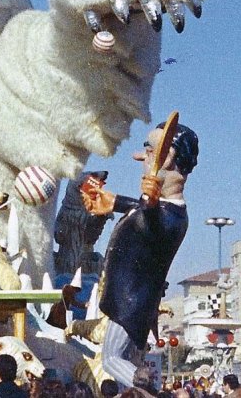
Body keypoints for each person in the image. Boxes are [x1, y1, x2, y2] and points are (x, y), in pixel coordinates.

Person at [79, 118, 199, 389]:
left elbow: (153, 223)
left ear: (167, 159)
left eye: (149, 152)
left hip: (132, 303)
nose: (141, 158)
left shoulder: (171, 218)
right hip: (131, 301)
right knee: (125, 358)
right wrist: (115, 202)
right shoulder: (167, 210)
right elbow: (145, 212)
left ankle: (148, 392)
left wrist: (149, 203)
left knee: (112, 359)